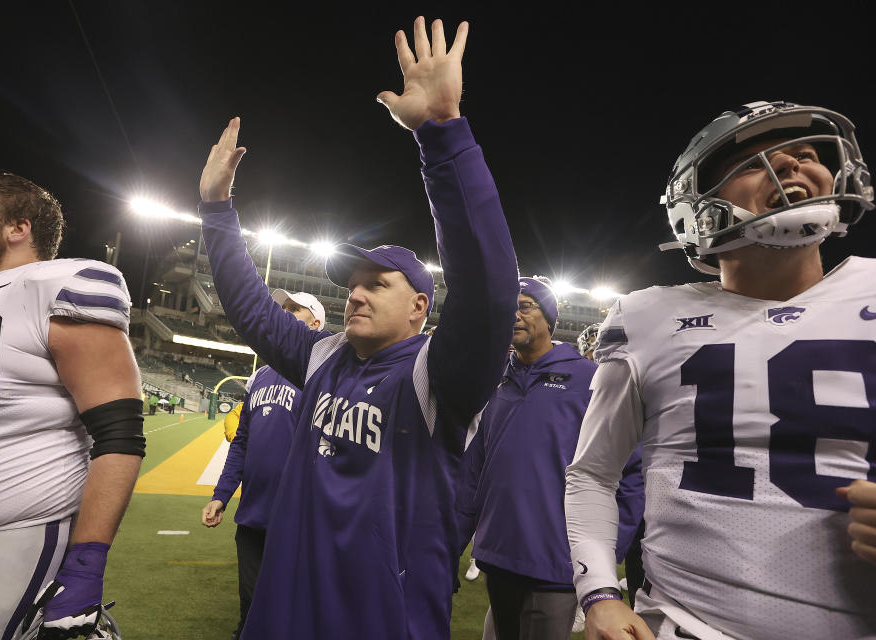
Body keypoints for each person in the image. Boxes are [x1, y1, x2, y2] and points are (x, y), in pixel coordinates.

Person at [197, 16, 517, 639]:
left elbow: (487, 284)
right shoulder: (324, 355)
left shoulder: (439, 375)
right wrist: (216, 211)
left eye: (378, 284)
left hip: (382, 615)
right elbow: (251, 308)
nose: (356, 294)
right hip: (291, 601)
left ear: (421, 306)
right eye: (352, 283)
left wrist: (442, 136)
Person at [564, 101, 876, 639]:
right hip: (684, 626)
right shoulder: (646, 317)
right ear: (697, 205)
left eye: (806, 154)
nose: (794, 165)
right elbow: (592, 473)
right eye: (757, 161)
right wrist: (599, 594)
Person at [0, 171, 145, 639]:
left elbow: (119, 431)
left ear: (17, 228)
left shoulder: (60, 283)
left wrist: (86, 565)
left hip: (9, 538)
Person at [458, 276, 643, 640]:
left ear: (549, 318)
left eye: (525, 306)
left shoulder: (590, 378)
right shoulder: (497, 379)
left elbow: (633, 472)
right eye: (507, 307)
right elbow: (474, 470)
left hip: (558, 564)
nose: (514, 315)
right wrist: (453, 542)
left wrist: (603, 555)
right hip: (497, 555)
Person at [201, 290, 325, 640]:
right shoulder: (259, 377)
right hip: (253, 515)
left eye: (294, 310)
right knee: (250, 602)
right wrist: (221, 494)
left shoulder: (321, 378)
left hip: (297, 519)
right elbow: (242, 443)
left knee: (289, 608)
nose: (284, 314)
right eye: (282, 309)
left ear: (315, 324)